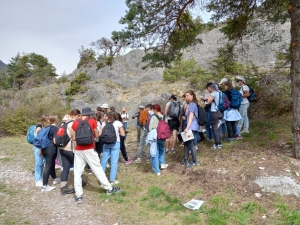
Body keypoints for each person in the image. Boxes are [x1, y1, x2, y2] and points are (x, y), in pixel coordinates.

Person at [72, 107, 120, 204]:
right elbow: (97, 135)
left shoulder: (75, 123)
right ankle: (109, 188)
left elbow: (73, 138)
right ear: (89, 114)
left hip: (79, 150)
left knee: (77, 172)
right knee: (97, 169)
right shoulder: (92, 121)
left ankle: (78, 195)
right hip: (89, 149)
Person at [58, 109, 81, 195]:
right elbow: (74, 137)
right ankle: (78, 184)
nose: (79, 118)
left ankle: (63, 187)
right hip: (70, 149)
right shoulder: (72, 123)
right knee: (78, 167)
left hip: (62, 148)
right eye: (79, 116)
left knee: (66, 167)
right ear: (76, 115)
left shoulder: (63, 123)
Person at [100, 112, 125, 184]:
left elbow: (100, 134)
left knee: (104, 161)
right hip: (115, 143)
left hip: (106, 144)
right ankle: (112, 180)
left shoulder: (104, 123)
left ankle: (102, 181)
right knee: (114, 162)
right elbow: (123, 134)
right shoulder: (118, 123)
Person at [180, 90, 200, 167]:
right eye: (186, 96)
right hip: (190, 126)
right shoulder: (191, 104)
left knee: (191, 144)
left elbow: (191, 116)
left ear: (192, 96)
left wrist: (187, 127)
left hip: (191, 126)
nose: (186, 97)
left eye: (188, 95)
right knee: (186, 143)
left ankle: (195, 161)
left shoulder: (192, 104)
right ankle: (185, 159)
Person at [201, 83, 223, 149]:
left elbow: (208, 102)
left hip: (214, 112)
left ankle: (217, 144)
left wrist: (204, 99)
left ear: (212, 88)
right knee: (218, 127)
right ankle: (220, 143)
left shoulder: (214, 93)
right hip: (220, 111)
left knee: (214, 128)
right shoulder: (220, 93)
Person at [148, 104, 168, 175]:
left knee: (155, 153)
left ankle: (157, 171)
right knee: (161, 149)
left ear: (155, 110)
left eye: (153, 109)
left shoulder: (154, 117)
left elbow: (150, 128)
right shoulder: (164, 116)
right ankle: (162, 164)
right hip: (163, 136)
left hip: (155, 137)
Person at [41, 115, 59, 192]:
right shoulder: (55, 129)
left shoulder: (46, 128)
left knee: (51, 164)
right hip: (51, 148)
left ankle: (54, 178)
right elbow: (55, 140)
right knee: (48, 166)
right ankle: (44, 186)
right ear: (56, 120)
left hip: (44, 148)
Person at [33, 115, 48, 187]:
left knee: (42, 163)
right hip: (38, 147)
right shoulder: (39, 127)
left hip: (42, 147)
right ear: (44, 121)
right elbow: (39, 140)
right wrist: (40, 150)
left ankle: (40, 177)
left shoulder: (44, 127)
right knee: (39, 163)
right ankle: (38, 180)